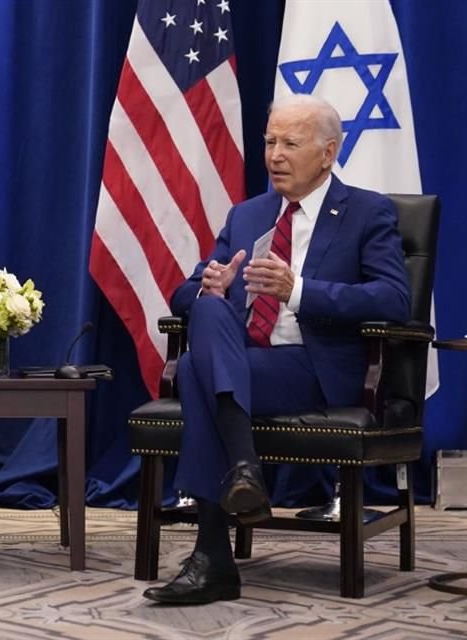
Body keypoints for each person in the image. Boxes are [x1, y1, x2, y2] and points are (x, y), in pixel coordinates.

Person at [142, 94, 410, 605]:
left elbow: (394, 299)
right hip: (244, 360)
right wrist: (210, 286)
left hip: (312, 367)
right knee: (209, 318)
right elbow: (186, 288)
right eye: (269, 142)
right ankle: (242, 472)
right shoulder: (248, 214)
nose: (275, 155)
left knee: (200, 368)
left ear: (328, 152)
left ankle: (214, 555)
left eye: (290, 143)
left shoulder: (366, 212)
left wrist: (299, 291)